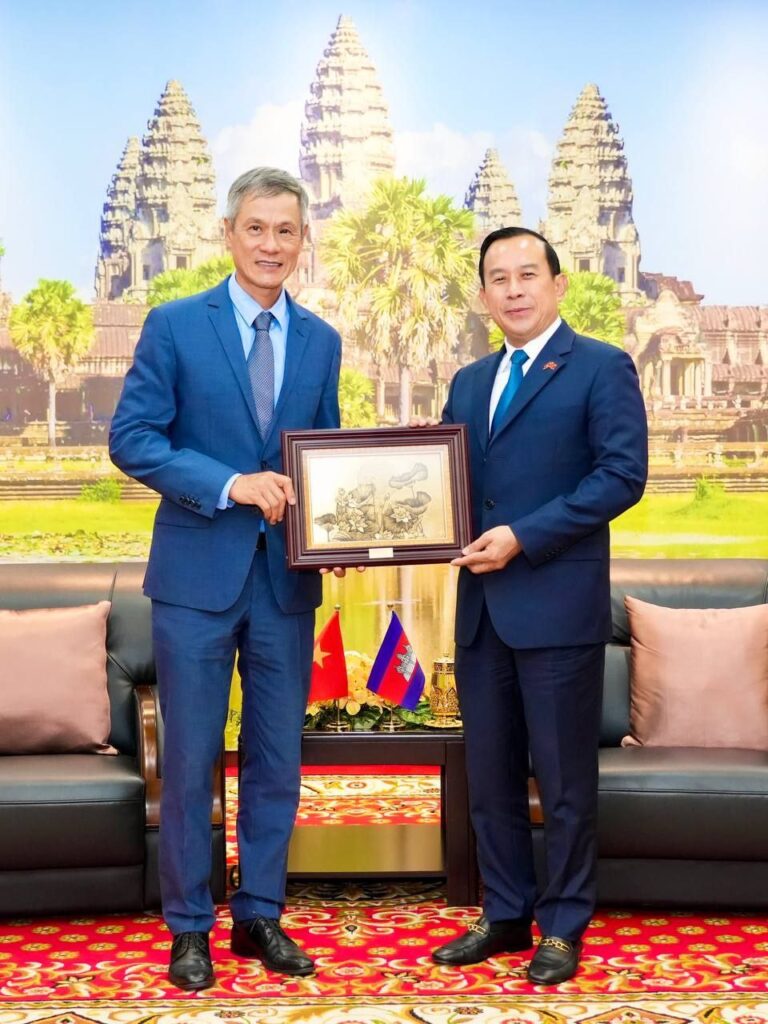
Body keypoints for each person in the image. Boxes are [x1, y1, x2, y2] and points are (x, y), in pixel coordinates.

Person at [110, 167, 343, 991]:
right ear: (228, 232)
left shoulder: (321, 340)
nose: (271, 245)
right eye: (256, 228)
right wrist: (229, 483)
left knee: (277, 759)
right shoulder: (175, 325)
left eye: (286, 231)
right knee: (192, 757)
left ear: (302, 241)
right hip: (195, 581)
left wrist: (344, 523)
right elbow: (133, 439)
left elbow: (326, 454)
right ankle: (189, 928)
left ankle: (260, 916)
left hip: (285, 583)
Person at [431, 227, 647, 984]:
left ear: (558, 285)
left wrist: (524, 536)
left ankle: (562, 924)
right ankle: (504, 914)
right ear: (483, 295)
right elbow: (447, 487)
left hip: (556, 606)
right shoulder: (468, 381)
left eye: (528, 274)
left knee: (563, 782)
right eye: (499, 278)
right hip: (481, 611)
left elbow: (621, 476)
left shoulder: (600, 366)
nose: (514, 289)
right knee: (489, 780)